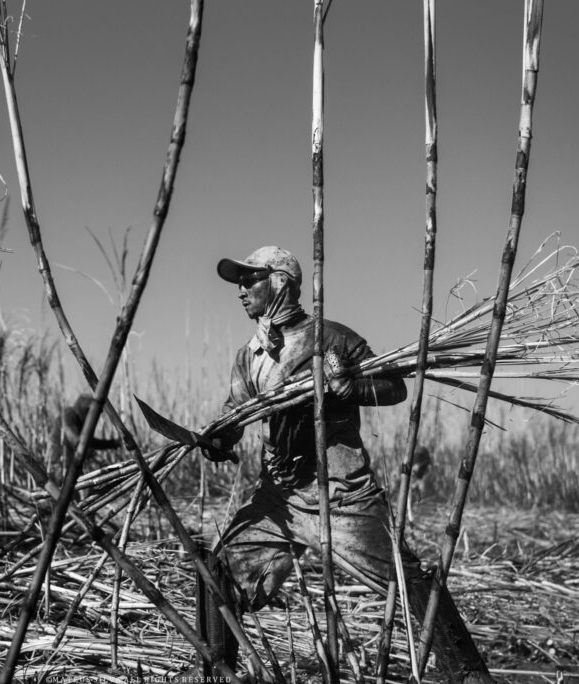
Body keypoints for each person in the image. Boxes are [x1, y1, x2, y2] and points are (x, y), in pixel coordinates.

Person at [185, 246, 493, 683]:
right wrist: (218, 438)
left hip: (341, 493)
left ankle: (468, 673)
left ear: (281, 282)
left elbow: (393, 387)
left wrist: (349, 387)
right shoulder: (248, 355)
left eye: (250, 278)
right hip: (279, 498)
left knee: (405, 584)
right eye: (239, 280)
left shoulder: (331, 338)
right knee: (218, 575)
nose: (241, 289)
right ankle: (216, 675)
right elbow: (235, 414)